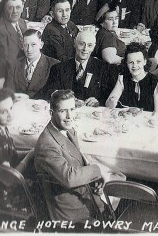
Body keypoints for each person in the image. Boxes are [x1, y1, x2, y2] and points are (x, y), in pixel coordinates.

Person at [33, 89, 107, 222]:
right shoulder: (47, 144)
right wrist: (97, 171)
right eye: (63, 111)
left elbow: (77, 160)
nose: (69, 116)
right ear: (51, 113)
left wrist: (94, 177)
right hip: (70, 208)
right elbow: (69, 178)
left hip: (82, 192)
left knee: (118, 182)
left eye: (72, 109)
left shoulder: (68, 130)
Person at [38, 30, 114, 105]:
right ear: (74, 43)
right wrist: (59, 96)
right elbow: (48, 92)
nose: (85, 49)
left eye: (89, 45)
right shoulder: (59, 68)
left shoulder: (103, 68)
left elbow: (109, 96)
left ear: (94, 47)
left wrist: (98, 101)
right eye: (81, 44)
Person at [105, 42, 158, 114]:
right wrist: (112, 101)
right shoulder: (122, 78)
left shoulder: (156, 82)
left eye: (138, 61)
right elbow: (109, 104)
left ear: (145, 61)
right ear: (126, 63)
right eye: (131, 62)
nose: (134, 66)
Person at [6, 29, 57, 97]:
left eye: (33, 44)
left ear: (41, 45)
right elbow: (8, 91)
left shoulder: (54, 65)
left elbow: (56, 95)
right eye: (26, 45)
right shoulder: (14, 65)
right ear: (22, 46)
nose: (29, 49)